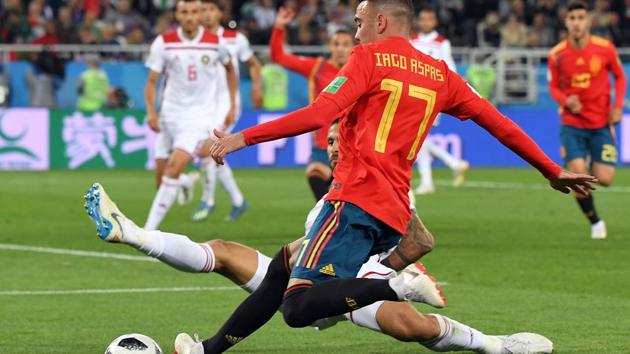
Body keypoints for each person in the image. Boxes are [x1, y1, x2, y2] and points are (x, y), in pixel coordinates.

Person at [202, 0, 596, 351]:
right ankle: (208, 348)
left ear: (381, 22)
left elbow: (321, 114)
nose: (355, 32)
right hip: (393, 213)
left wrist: (244, 137)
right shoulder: (440, 74)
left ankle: (397, 285)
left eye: (359, 22)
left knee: (297, 306)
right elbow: (498, 123)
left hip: (353, 200)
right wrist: (550, 169)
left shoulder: (368, 59)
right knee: (282, 267)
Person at [84, 120, 553, 354]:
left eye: (338, 142)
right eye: (327, 143)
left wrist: (395, 269)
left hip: (355, 287)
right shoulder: (331, 198)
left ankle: (497, 344)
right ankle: (133, 233)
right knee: (230, 253)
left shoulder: (379, 191)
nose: (332, 148)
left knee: (418, 328)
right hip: (309, 278)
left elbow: (414, 241)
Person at [142, 0, 237, 231]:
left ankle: (147, 232)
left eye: (195, 12)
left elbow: (230, 70)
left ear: (201, 14)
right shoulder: (164, 43)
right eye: (184, 12)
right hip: (169, 116)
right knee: (162, 181)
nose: (190, 17)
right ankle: (185, 182)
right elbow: (152, 81)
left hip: (197, 118)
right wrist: (152, 112)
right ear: (177, 15)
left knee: (173, 168)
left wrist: (232, 104)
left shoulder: (216, 43)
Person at [547, 0, 626, 240]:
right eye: (572, 19)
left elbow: (620, 78)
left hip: (601, 123)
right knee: (578, 177)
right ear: (566, 22)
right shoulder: (557, 54)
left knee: (605, 179)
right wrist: (566, 101)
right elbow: (553, 87)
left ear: (588, 21)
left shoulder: (605, 48)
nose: (577, 23)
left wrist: (618, 106)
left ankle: (590, 162)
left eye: (581, 18)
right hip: (572, 125)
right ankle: (595, 222)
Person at [180, 0, 263, 223]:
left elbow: (253, 64)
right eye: (203, 10)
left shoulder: (235, 39)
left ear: (219, 13)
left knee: (208, 150)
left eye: (210, 9)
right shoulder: (194, 42)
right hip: (203, 106)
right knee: (212, 152)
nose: (206, 14)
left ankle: (207, 200)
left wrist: (256, 87)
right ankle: (238, 201)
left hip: (227, 105)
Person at [269, 6, 354, 201]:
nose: (340, 48)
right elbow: (278, 57)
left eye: (345, 44)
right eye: (336, 44)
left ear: (353, 47)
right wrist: (279, 28)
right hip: (324, 143)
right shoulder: (317, 67)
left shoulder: (361, 70)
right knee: (315, 172)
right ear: (330, 46)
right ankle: (327, 214)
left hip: (353, 143)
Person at [410, 7, 470, 194]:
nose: (426, 22)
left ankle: (430, 180)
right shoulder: (412, 41)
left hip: (433, 96)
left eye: (430, 19)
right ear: (419, 21)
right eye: (423, 19)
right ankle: (453, 164)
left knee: (417, 137)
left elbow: (449, 67)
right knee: (418, 138)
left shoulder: (442, 43)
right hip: (413, 95)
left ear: (434, 22)